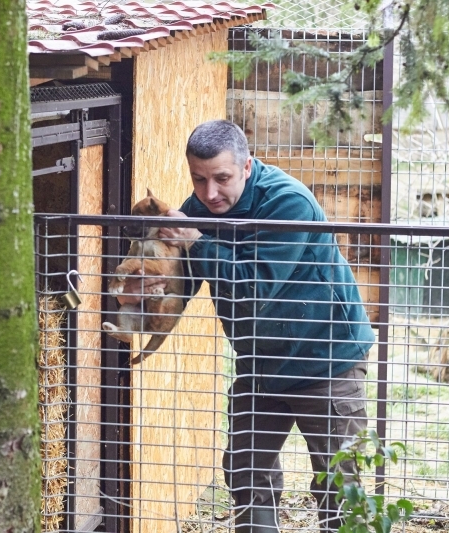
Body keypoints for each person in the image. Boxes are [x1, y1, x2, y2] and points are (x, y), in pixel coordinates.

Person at [118, 120, 375, 532]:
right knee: (244, 469)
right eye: (199, 180)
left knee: (339, 482)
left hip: (325, 360)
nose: (209, 193)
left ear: (248, 166)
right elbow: (182, 284)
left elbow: (254, 287)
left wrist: (196, 239)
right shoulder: (200, 210)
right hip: (260, 360)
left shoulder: (289, 204)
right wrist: (148, 291)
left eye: (221, 178)